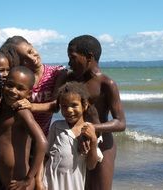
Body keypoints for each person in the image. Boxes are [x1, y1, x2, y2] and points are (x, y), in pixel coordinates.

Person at [0, 36, 67, 189]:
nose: (32, 58)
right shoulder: (19, 76)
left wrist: (29, 106)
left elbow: (56, 105)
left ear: (32, 44)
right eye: (24, 58)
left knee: (38, 183)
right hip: (19, 137)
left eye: (31, 51)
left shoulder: (56, 73)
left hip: (41, 133)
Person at [67, 35, 126, 190]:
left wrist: (93, 128)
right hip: (77, 142)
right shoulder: (72, 80)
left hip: (103, 144)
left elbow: (120, 123)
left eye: (72, 58)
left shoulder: (106, 84)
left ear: (89, 57)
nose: (69, 63)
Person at [0, 66, 48, 190]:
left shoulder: (22, 113)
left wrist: (28, 179)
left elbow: (42, 142)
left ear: (29, 93)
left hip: (20, 184)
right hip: (6, 182)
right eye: (10, 85)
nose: (13, 91)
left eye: (20, 88)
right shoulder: (3, 108)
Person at [43, 81, 103, 190]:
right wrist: (39, 180)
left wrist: (93, 140)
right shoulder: (56, 127)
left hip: (74, 185)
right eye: (64, 106)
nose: (69, 110)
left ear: (84, 105)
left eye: (74, 105)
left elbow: (91, 165)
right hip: (49, 184)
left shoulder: (90, 130)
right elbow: (45, 156)